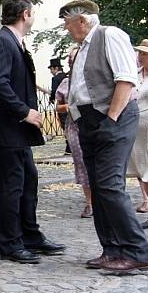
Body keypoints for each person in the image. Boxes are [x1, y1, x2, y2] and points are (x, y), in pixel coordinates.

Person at [61, 0, 148, 274]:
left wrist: (111, 118)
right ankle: (112, 249)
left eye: (67, 24)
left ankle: (138, 251)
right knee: (99, 186)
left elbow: (126, 79)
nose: (66, 30)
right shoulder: (83, 47)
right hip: (90, 121)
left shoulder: (109, 35)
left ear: (82, 20)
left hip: (111, 118)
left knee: (110, 185)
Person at [0, 0, 66, 263]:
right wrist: (24, 111)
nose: (34, 17)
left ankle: (30, 235)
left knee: (28, 181)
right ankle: (10, 243)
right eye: (33, 12)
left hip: (15, 131)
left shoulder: (13, 42)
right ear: (25, 14)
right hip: (4, 130)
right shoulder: (3, 42)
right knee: (9, 187)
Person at [54, 48, 92, 218]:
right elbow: (58, 106)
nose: (70, 60)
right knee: (82, 163)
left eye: (73, 57)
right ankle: (90, 203)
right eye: (69, 57)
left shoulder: (93, 77)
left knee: (100, 162)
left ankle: (104, 199)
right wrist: (70, 106)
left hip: (95, 125)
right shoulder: (66, 82)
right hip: (75, 126)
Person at [128, 39, 148, 226]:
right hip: (137, 129)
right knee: (144, 170)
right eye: (140, 53)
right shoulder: (136, 74)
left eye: (144, 53)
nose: (140, 56)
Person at [49, 57, 70, 152]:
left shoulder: (55, 79)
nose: (50, 71)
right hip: (70, 103)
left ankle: (69, 146)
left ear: (56, 68)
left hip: (61, 104)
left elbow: (54, 92)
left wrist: (51, 99)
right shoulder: (66, 76)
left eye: (51, 69)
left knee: (64, 125)